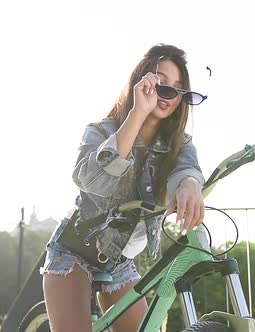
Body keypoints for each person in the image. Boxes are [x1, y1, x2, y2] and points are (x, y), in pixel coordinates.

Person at [41, 43, 207, 332]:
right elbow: (91, 181)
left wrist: (191, 185)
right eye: (162, 85)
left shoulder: (180, 144)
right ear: (142, 82)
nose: (171, 96)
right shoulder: (100, 131)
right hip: (74, 252)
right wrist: (137, 115)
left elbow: (187, 169)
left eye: (178, 90)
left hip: (119, 264)